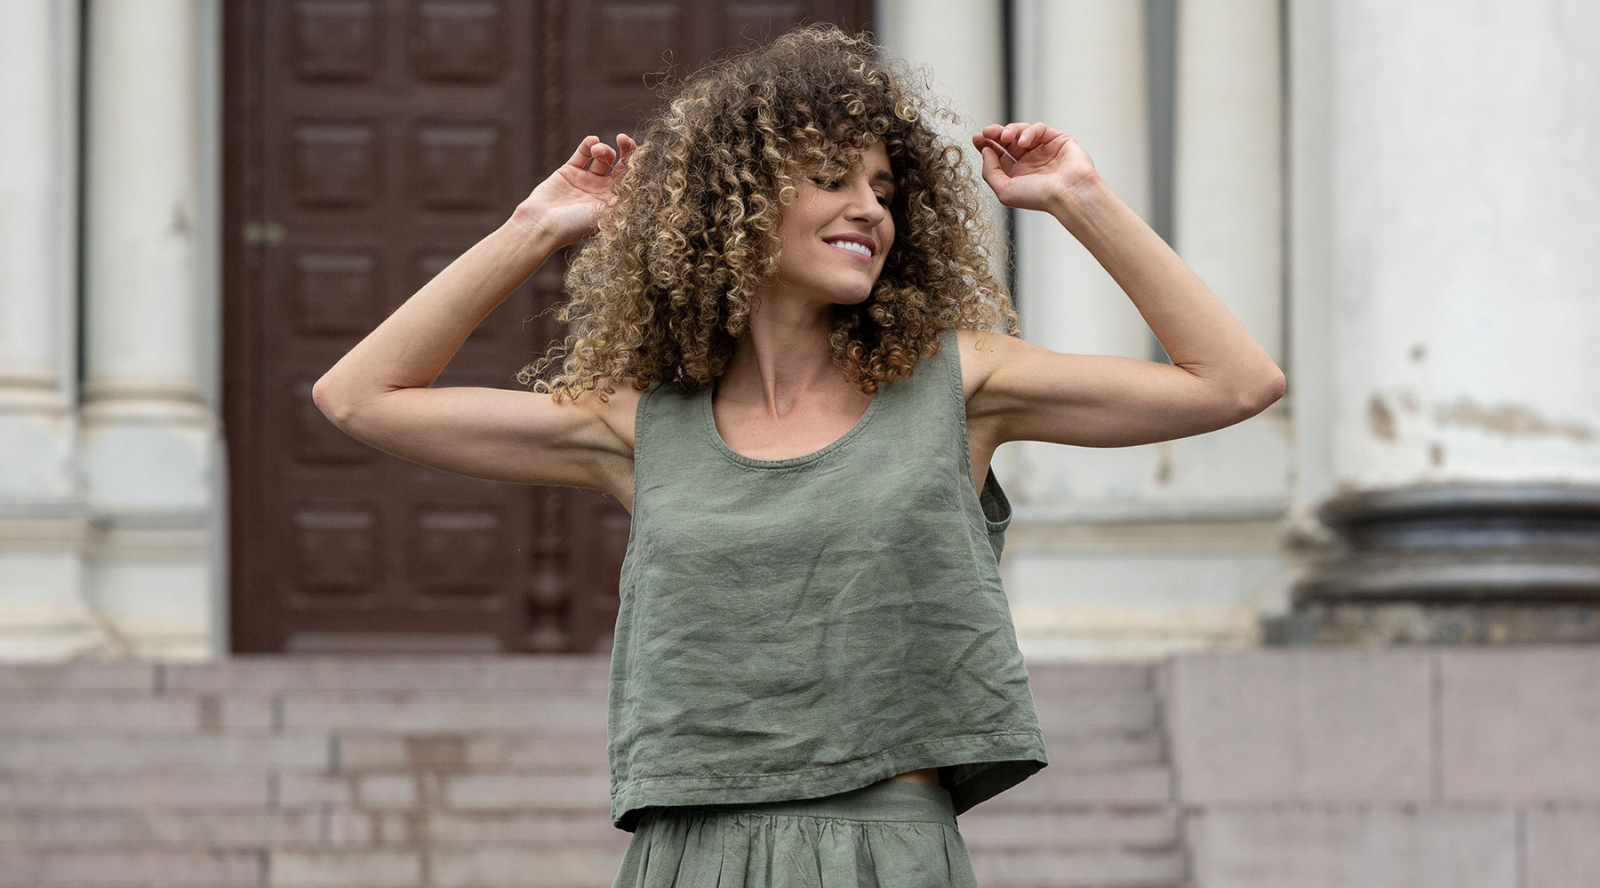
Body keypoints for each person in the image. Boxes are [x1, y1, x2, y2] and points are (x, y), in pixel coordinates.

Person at [313, 25, 1284, 888]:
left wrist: (1080, 198)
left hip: (883, 849)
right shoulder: (641, 426)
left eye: (884, 190)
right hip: (688, 852)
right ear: (733, 206)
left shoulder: (962, 385)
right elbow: (360, 398)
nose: (870, 208)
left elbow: (1234, 382)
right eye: (831, 180)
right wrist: (536, 227)